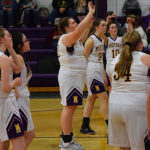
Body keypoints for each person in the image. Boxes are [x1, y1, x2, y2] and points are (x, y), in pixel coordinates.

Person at [57, 1, 95, 149]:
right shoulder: (65, 38)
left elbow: (82, 38)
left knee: (71, 108)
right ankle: (66, 141)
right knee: (69, 107)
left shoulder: (74, 41)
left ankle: (66, 137)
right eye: (73, 22)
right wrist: (90, 13)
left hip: (76, 77)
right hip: (70, 77)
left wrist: (89, 25)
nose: (76, 23)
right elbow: (79, 32)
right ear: (67, 27)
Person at [108, 30, 150, 150]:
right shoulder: (146, 58)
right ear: (140, 44)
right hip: (136, 107)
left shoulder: (114, 60)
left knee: (124, 147)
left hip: (114, 106)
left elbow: (111, 87)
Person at [80, 19, 109, 134]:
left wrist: (104, 76)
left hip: (98, 69)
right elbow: (83, 58)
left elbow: (100, 59)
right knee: (104, 98)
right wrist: (83, 75)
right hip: (91, 70)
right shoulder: (91, 40)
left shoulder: (102, 40)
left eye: (105, 25)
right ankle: (111, 127)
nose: (105, 27)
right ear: (96, 27)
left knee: (91, 99)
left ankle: (84, 126)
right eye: (103, 25)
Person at [0, 28, 25, 150]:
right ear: (1, 39)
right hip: (5, 103)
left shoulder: (4, 57)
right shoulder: (3, 59)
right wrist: (14, 82)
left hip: (3, 102)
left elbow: (19, 68)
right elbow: (5, 88)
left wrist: (10, 48)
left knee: (4, 142)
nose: (10, 37)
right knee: (19, 144)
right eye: (8, 36)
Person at [11, 31, 35, 149]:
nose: (28, 42)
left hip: (24, 98)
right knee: (23, 136)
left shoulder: (20, 57)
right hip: (19, 100)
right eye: (26, 41)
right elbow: (11, 76)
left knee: (30, 134)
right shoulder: (18, 58)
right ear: (20, 45)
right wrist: (15, 89)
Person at [101, 21, 123, 94]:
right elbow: (101, 33)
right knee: (110, 87)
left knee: (119, 85)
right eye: (112, 28)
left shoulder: (121, 39)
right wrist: (106, 22)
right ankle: (111, 102)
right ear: (109, 31)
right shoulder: (107, 40)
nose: (114, 29)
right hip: (110, 65)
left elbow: (131, 36)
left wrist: (129, 25)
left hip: (119, 64)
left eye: (115, 27)